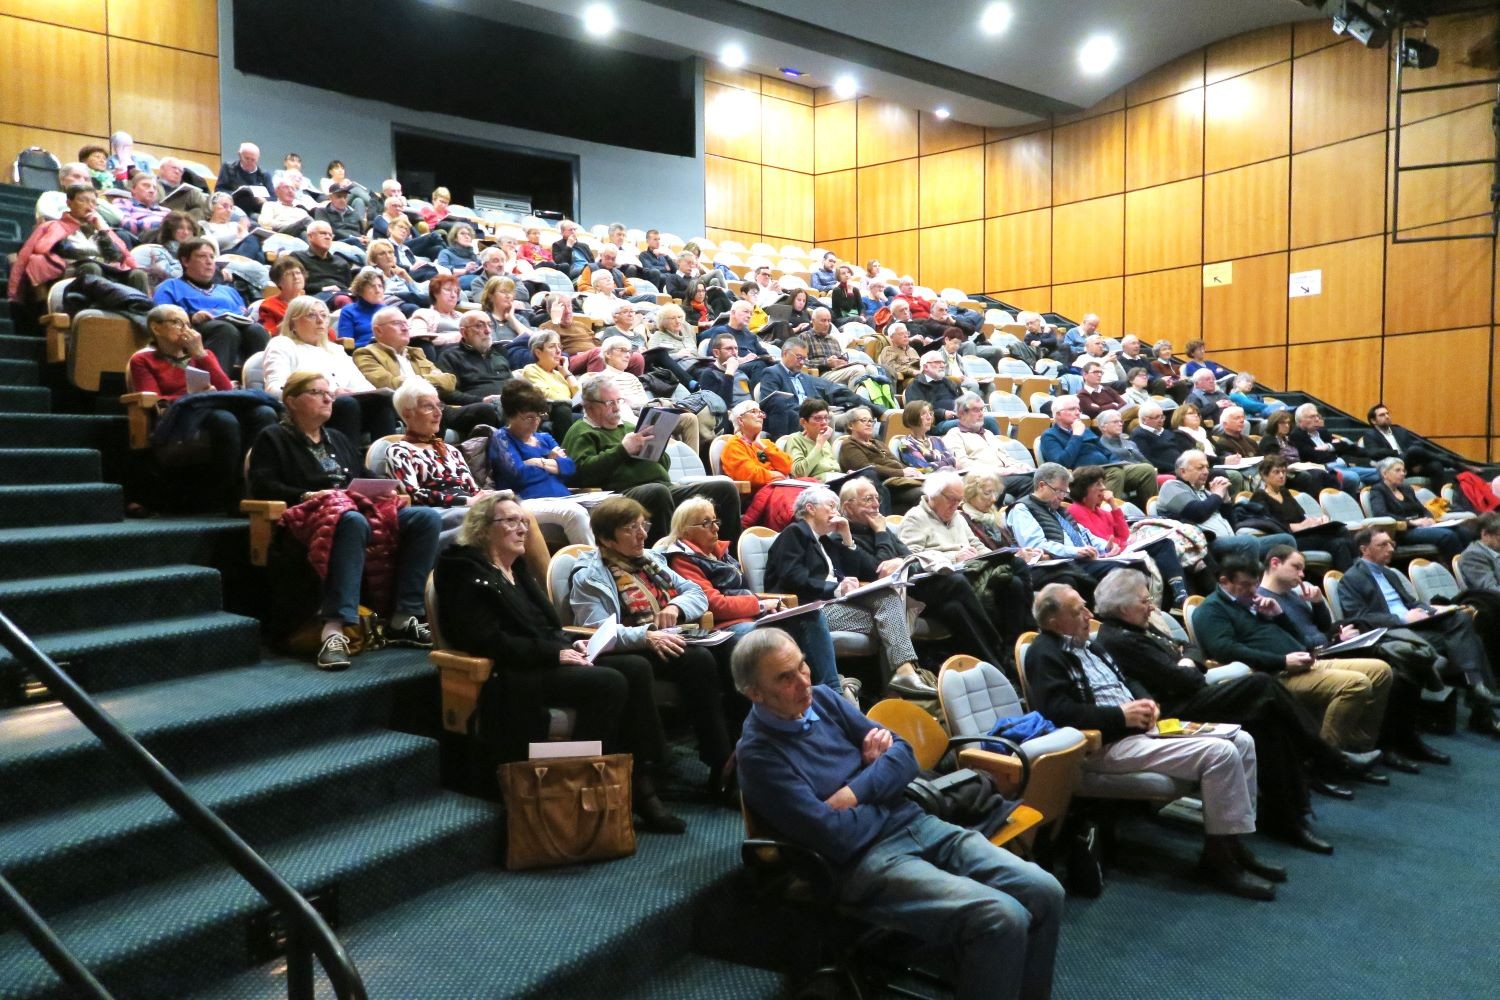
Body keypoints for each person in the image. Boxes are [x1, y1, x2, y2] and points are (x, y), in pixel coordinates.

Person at [733, 627, 1064, 1000]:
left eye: (803, 666)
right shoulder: (758, 755)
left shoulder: (824, 699)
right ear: (754, 693)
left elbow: (904, 754)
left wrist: (853, 792)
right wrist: (880, 779)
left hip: (916, 821)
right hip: (864, 861)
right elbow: (834, 835)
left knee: (1045, 891)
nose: (803, 681)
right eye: (785, 677)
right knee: (1001, 917)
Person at [433, 491, 681, 830]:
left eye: (523, 521)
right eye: (511, 522)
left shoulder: (515, 568)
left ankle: (643, 775)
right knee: (608, 682)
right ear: (483, 527)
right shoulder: (461, 569)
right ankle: (588, 781)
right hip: (511, 673)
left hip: (542, 659)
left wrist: (572, 643)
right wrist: (553, 652)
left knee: (636, 667)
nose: (522, 529)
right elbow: (484, 638)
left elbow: (546, 626)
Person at [1026, 583, 1278, 899]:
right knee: (1221, 752)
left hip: (1140, 732)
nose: (1089, 615)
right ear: (1053, 621)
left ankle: (1232, 844)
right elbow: (1057, 712)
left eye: (1086, 606)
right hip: (1103, 746)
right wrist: (1121, 716)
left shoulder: (1090, 645)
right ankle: (1218, 861)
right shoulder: (1043, 653)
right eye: (1078, 611)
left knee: (1242, 740)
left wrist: (1147, 702)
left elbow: (1127, 681)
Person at [1093, 569, 1347, 853]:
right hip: (1171, 712)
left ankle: (1290, 816)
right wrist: (1187, 665)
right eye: (1144, 600)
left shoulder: (1137, 624)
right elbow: (1188, 678)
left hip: (1190, 695)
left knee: (1267, 722)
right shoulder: (1119, 638)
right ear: (1123, 606)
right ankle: (1322, 753)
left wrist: (1186, 662)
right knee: (1262, 685)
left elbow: (1189, 649)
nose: (1152, 605)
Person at [247, 372, 440, 670]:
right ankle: (334, 630)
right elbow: (263, 487)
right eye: (317, 392)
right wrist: (310, 494)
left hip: (350, 508)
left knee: (424, 518)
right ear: (292, 401)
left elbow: (358, 479)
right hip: (305, 519)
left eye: (330, 393)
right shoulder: (273, 437)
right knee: (350, 521)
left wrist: (389, 487)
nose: (328, 398)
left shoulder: (337, 438)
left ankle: (404, 617)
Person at [568, 497, 733, 799]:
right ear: (606, 539)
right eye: (631, 529)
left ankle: (738, 753)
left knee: (732, 650)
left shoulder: (651, 560)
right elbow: (598, 631)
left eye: (642, 526)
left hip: (666, 637)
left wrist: (675, 606)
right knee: (698, 660)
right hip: (627, 648)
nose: (642, 535)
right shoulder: (589, 575)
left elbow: (695, 592)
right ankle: (719, 762)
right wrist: (647, 635)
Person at [1191, 550, 1398, 770]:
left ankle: (1358, 748)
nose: (1253, 590)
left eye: (1255, 584)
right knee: (1357, 684)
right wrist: (1282, 661)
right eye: (1245, 585)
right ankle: (1327, 760)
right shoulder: (1210, 610)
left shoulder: (1254, 602)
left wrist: (1279, 614)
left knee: (1381, 671)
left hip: (1305, 662)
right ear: (1224, 581)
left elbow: (1303, 641)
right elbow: (1225, 650)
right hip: (1274, 674)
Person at [1256, 544, 1449, 766]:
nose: (1302, 574)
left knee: (1404, 670)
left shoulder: (1293, 595)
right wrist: (1335, 640)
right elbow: (1293, 641)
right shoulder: (1264, 601)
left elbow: (1320, 628)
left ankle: (1399, 741)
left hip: (1328, 649)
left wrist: (1319, 604)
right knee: (1397, 675)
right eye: (1296, 567)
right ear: (1275, 563)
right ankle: (1387, 745)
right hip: (1309, 659)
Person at [766, 487, 932, 697]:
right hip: (809, 610)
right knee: (890, 622)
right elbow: (792, 577)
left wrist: (847, 537)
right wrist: (835, 588)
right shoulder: (794, 533)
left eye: (837, 507)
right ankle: (898, 688)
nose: (836, 512)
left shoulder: (827, 540)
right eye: (830, 506)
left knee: (887, 598)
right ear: (810, 508)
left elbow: (861, 570)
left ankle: (903, 675)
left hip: (835, 604)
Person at [660, 498, 840, 690]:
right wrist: (761, 605)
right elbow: (714, 604)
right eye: (706, 523)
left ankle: (831, 692)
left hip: (753, 616)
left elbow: (744, 593)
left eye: (715, 521)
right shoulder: (682, 559)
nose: (715, 528)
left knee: (809, 614)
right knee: (769, 637)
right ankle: (809, 696)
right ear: (685, 530)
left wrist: (772, 605)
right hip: (725, 626)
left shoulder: (719, 551)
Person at [1338, 527, 1498, 738]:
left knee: (1460, 618)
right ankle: (1479, 698)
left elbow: (1411, 602)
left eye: (1391, 544)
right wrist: (1402, 618)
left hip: (1417, 624)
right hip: (1394, 632)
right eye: (1382, 545)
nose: (1390, 549)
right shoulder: (1351, 578)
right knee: (1467, 640)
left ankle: (1477, 691)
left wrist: (1432, 610)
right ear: (1364, 549)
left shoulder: (1389, 573)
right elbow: (1358, 617)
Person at [129, 304, 278, 512]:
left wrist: (200, 354)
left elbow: (226, 390)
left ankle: (253, 487)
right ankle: (228, 494)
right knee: (224, 420)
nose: (185, 329)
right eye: (177, 322)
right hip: (180, 416)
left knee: (265, 413)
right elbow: (156, 400)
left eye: (188, 324)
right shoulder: (143, 359)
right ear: (156, 328)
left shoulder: (202, 354)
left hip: (210, 406)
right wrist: (194, 397)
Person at [561, 376, 741, 543]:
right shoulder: (581, 431)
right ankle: (665, 557)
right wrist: (623, 450)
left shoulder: (632, 427)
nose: (616, 407)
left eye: (619, 401)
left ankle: (726, 555)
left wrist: (657, 447)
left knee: (725, 489)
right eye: (609, 403)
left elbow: (664, 465)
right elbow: (580, 474)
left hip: (663, 487)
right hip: (620, 494)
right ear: (589, 407)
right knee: (658, 492)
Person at [872, 473, 1020, 668]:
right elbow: (911, 559)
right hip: (933, 583)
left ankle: (1007, 658)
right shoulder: (915, 518)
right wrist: (953, 557)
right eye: (951, 499)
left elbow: (976, 543)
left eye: (959, 500)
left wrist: (991, 558)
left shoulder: (957, 516)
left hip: (966, 576)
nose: (956, 505)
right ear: (933, 495)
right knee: (960, 582)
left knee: (1014, 576)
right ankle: (999, 648)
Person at [262, 295, 394, 445]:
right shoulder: (282, 344)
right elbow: (274, 389)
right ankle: (348, 465)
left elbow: (364, 387)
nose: (320, 321)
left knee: (381, 404)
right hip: (308, 412)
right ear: (293, 323)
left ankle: (388, 461)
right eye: (311, 315)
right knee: (346, 404)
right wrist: (328, 394)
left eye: (324, 315)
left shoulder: (336, 350)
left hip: (347, 410)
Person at [354, 306, 497, 437]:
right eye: (398, 323)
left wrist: (415, 381)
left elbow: (449, 381)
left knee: (486, 411)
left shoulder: (416, 353)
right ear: (378, 330)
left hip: (438, 406)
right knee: (428, 413)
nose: (405, 328)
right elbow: (388, 383)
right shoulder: (366, 353)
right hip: (407, 410)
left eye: (406, 324)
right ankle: (436, 460)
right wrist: (430, 380)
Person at [483, 381, 592, 545]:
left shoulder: (545, 438)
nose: (535, 422)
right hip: (526, 502)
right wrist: (553, 464)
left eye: (539, 416)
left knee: (613, 507)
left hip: (563, 498)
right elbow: (518, 475)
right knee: (575, 513)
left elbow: (570, 468)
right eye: (528, 417)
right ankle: (592, 568)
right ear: (511, 416)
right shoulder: (502, 438)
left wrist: (538, 462)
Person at [1067, 465, 1190, 608]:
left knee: (1165, 543)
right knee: (1143, 561)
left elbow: (1124, 535)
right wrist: (1119, 543)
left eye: (1103, 483)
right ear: (1084, 489)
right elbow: (1101, 540)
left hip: (1121, 549)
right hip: (1106, 555)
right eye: (1097, 484)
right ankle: (1152, 604)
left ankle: (1180, 591)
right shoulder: (1075, 510)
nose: (1103, 488)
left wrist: (1113, 505)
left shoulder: (1101, 511)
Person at [152, 238, 270, 376]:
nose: (209, 262)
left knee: (256, 330)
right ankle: (215, 386)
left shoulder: (229, 291)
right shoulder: (170, 287)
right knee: (226, 329)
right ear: (185, 261)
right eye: (202, 256)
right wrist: (192, 317)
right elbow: (161, 318)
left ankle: (262, 384)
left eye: (212, 257)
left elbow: (244, 315)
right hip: (193, 330)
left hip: (233, 329)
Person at [8, 185, 149, 300]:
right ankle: (95, 316)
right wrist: (13, 292)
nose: (89, 207)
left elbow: (118, 256)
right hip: (71, 270)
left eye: (93, 202)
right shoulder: (52, 226)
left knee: (138, 275)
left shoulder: (102, 229)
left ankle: (139, 312)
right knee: (92, 267)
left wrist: (101, 230)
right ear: (69, 203)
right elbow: (24, 255)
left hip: (107, 270)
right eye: (83, 200)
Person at [1157, 451, 1295, 560]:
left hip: (1230, 540)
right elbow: (1197, 513)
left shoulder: (1203, 491)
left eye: (1207, 467)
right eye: (1200, 468)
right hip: (1206, 544)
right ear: (1183, 472)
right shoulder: (1173, 486)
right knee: (1249, 542)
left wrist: (1226, 500)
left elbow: (1232, 523)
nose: (1206, 471)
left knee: (1285, 541)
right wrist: (1217, 495)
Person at [1037, 395, 1157, 509]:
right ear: (1058, 414)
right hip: (1080, 476)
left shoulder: (1086, 430)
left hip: (1106, 468)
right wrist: (1076, 436)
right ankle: (1108, 514)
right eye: (1072, 409)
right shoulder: (1049, 436)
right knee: (1115, 472)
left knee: (1146, 470)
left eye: (1078, 409)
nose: (1078, 412)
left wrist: (1117, 463)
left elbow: (1106, 452)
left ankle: (1144, 512)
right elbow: (1061, 463)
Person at [1251, 456, 1355, 570]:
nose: (1281, 475)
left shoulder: (1285, 492)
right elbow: (1268, 523)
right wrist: (1296, 526)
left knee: (1340, 536)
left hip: (1303, 534)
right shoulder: (1260, 496)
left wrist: (1318, 521)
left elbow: (1302, 515)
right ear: (1264, 475)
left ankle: (1356, 575)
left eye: (1284, 472)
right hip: (1288, 540)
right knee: (1338, 538)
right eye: (1276, 472)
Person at [1366, 458, 1465, 559]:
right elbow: (1381, 513)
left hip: (1421, 526)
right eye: (1397, 470)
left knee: (1462, 531)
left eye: (1403, 470)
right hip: (1401, 531)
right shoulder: (1378, 490)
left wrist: (1429, 518)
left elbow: (1422, 509)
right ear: (1385, 473)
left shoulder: (1406, 489)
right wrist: (1411, 522)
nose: (1402, 473)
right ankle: (1457, 568)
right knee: (1448, 536)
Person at [943, 393, 1032, 499]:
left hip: (1005, 475)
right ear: (961, 414)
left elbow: (1005, 457)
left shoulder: (988, 433)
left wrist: (1020, 465)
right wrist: (998, 471)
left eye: (982, 410)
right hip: (982, 480)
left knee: (1041, 477)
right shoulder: (954, 434)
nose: (981, 414)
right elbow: (961, 464)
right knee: (1030, 482)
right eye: (976, 410)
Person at [838, 406, 923, 513]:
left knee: (931, 490)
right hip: (883, 486)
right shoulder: (849, 444)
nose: (869, 424)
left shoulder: (878, 443)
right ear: (851, 425)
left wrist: (912, 472)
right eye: (864, 420)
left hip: (899, 482)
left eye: (871, 421)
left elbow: (896, 462)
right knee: (921, 494)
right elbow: (865, 468)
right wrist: (901, 472)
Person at [1361, 403, 1459, 485]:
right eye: (1382, 415)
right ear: (1373, 421)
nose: (1387, 416)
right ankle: (1455, 463)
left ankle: (1439, 500)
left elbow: (1416, 444)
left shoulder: (1398, 430)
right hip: (1392, 467)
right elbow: (1375, 453)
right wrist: (1397, 454)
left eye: (1387, 413)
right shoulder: (1370, 434)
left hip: (1410, 465)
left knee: (1436, 465)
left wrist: (1417, 463)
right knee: (1413, 450)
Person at [438, 311, 510, 410]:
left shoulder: (498, 355)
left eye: (490, 325)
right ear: (464, 332)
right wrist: (481, 401)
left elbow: (514, 387)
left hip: (510, 407)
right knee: (487, 410)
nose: (488, 331)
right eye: (480, 326)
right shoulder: (450, 356)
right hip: (477, 409)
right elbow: (447, 393)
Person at [519, 329, 578, 436]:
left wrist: (566, 372)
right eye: (552, 347)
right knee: (563, 410)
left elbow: (578, 393)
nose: (558, 351)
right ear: (538, 352)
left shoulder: (559, 374)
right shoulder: (531, 369)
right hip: (550, 413)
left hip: (569, 411)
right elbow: (545, 394)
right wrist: (570, 402)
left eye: (559, 346)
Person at [292, 220, 355, 307]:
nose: (328, 237)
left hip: (341, 294)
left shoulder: (341, 262)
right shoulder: (297, 257)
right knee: (343, 299)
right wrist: (322, 288)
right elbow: (295, 285)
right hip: (313, 298)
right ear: (310, 236)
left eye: (330, 235)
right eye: (323, 233)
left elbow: (346, 285)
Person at [643, 303, 698, 389]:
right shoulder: (658, 336)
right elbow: (654, 359)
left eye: (679, 317)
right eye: (673, 318)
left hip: (696, 364)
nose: (677, 321)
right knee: (705, 373)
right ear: (663, 321)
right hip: (678, 370)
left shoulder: (688, 335)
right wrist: (677, 355)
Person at [894, 399, 957, 473]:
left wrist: (950, 461)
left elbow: (952, 459)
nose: (929, 417)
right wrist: (950, 462)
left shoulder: (936, 440)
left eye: (930, 413)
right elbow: (924, 469)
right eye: (923, 414)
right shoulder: (905, 445)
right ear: (912, 417)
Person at [335, 267, 387, 348]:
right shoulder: (349, 311)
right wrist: (370, 344)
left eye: (380, 286)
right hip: (363, 354)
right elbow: (346, 345)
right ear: (361, 289)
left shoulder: (387, 310)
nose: (378, 290)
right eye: (372, 286)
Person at [473, 276, 530, 344]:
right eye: (503, 292)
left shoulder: (520, 319)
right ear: (490, 296)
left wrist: (512, 319)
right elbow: (493, 346)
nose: (508, 296)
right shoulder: (484, 320)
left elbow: (533, 342)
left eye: (510, 292)